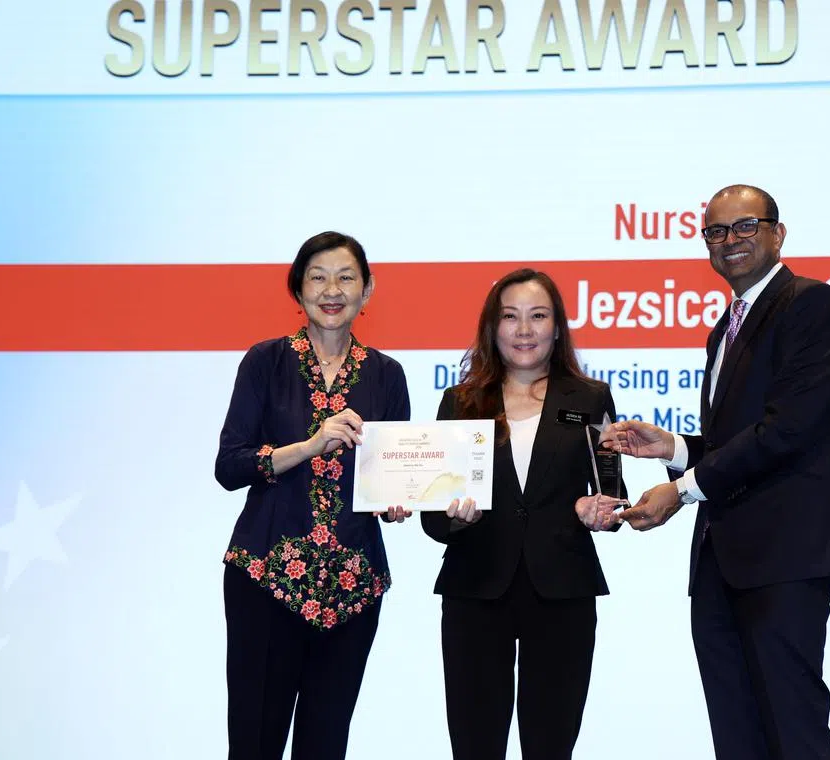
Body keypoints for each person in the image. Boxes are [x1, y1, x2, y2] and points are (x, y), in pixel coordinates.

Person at [605, 185, 830, 759]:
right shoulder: (724, 328)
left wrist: (681, 489)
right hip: (723, 560)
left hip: (783, 556)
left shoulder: (810, 303)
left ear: (778, 232)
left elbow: (788, 430)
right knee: (736, 732)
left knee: (792, 728)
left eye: (746, 226)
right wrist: (674, 449)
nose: (731, 241)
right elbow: (735, 442)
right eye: (717, 232)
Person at [214, 231, 412, 760]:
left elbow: (391, 479)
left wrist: (396, 503)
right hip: (266, 578)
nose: (332, 289)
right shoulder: (265, 362)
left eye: (346, 277)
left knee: (326, 746)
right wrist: (308, 445)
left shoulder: (387, 375)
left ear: (367, 290)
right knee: (255, 741)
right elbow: (230, 466)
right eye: (318, 277)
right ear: (298, 290)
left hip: (353, 587)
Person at [421, 268, 626, 760]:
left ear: (557, 327)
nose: (524, 330)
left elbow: (613, 492)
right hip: (476, 589)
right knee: (474, 744)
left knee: (551, 744)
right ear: (493, 328)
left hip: (562, 590)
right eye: (510, 317)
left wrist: (597, 510)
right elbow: (433, 517)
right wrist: (456, 518)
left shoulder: (590, 399)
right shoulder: (461, 402)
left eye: (538, 316)